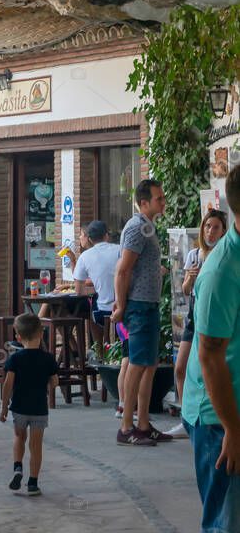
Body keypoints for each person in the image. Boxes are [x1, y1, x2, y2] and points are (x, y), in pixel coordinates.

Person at [183, 164, 240, 533]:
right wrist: (232, 431)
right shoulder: (222, 270)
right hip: (220, 420)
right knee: (225, 523)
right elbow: (209, 355)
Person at [112, 178, 172, 445]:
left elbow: (136, 267)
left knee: (148, 365)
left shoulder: (148, 227)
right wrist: (121, 305)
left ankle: (144, 423)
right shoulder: (137, 227)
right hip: (138, 305)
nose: (163, 202)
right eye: (159, 199)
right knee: (137, 365)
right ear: (144, 202)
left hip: (147, 303)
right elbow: (123, 269)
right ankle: (127, 427)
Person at [172, 210, 228, 425]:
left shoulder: (224, 256)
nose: (210, 231)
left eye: (215, 227)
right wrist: (190, 278)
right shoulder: (194, 255)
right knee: (180, 367)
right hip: (195, 313)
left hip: (213, 313)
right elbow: (185, 290)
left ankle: (213, 417)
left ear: (223, 231)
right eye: (207, 226)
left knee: (209, 367)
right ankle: (185, 417)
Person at [0, 312, 59, 496]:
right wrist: (48, 389)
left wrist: (4, 407)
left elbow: (8, 384)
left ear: (18, 336)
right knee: (36, 446)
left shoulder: (15, 359)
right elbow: (55, 382)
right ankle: (33, 483)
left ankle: (18, 468)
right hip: (39, 409)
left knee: (19, 438)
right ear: (41, 333)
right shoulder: (48, 359)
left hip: (19, 408)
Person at [73, 219, 120, 348]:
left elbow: (79, 291)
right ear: (107, 236)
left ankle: (99, 350)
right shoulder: (120, 250)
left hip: (101, 313)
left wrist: (97, 290)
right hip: (124, 310)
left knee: (92, 306)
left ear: (90, 239)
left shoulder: (85, 256)